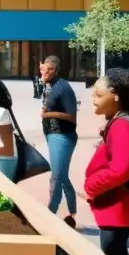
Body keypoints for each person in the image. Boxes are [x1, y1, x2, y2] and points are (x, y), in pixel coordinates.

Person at [83, 68, 129, 255]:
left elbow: (121, 170)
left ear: (116, 97)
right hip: (117, 204)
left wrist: (91, 186)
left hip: (119, 206)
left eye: (98, 94)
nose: (93, 98)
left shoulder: (121, 125)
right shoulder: (118, 122)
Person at [41, 56, 78, 228]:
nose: (44, 73)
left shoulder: (63, 88)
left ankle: (50, 216)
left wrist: (48, 115)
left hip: (62, 136)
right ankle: (72, 212)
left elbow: (72, 116)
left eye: (48, 70)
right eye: (42, 69)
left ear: (55, 70)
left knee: (56, 177)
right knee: (61, 175)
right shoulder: (49, 85)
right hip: (51, 134)